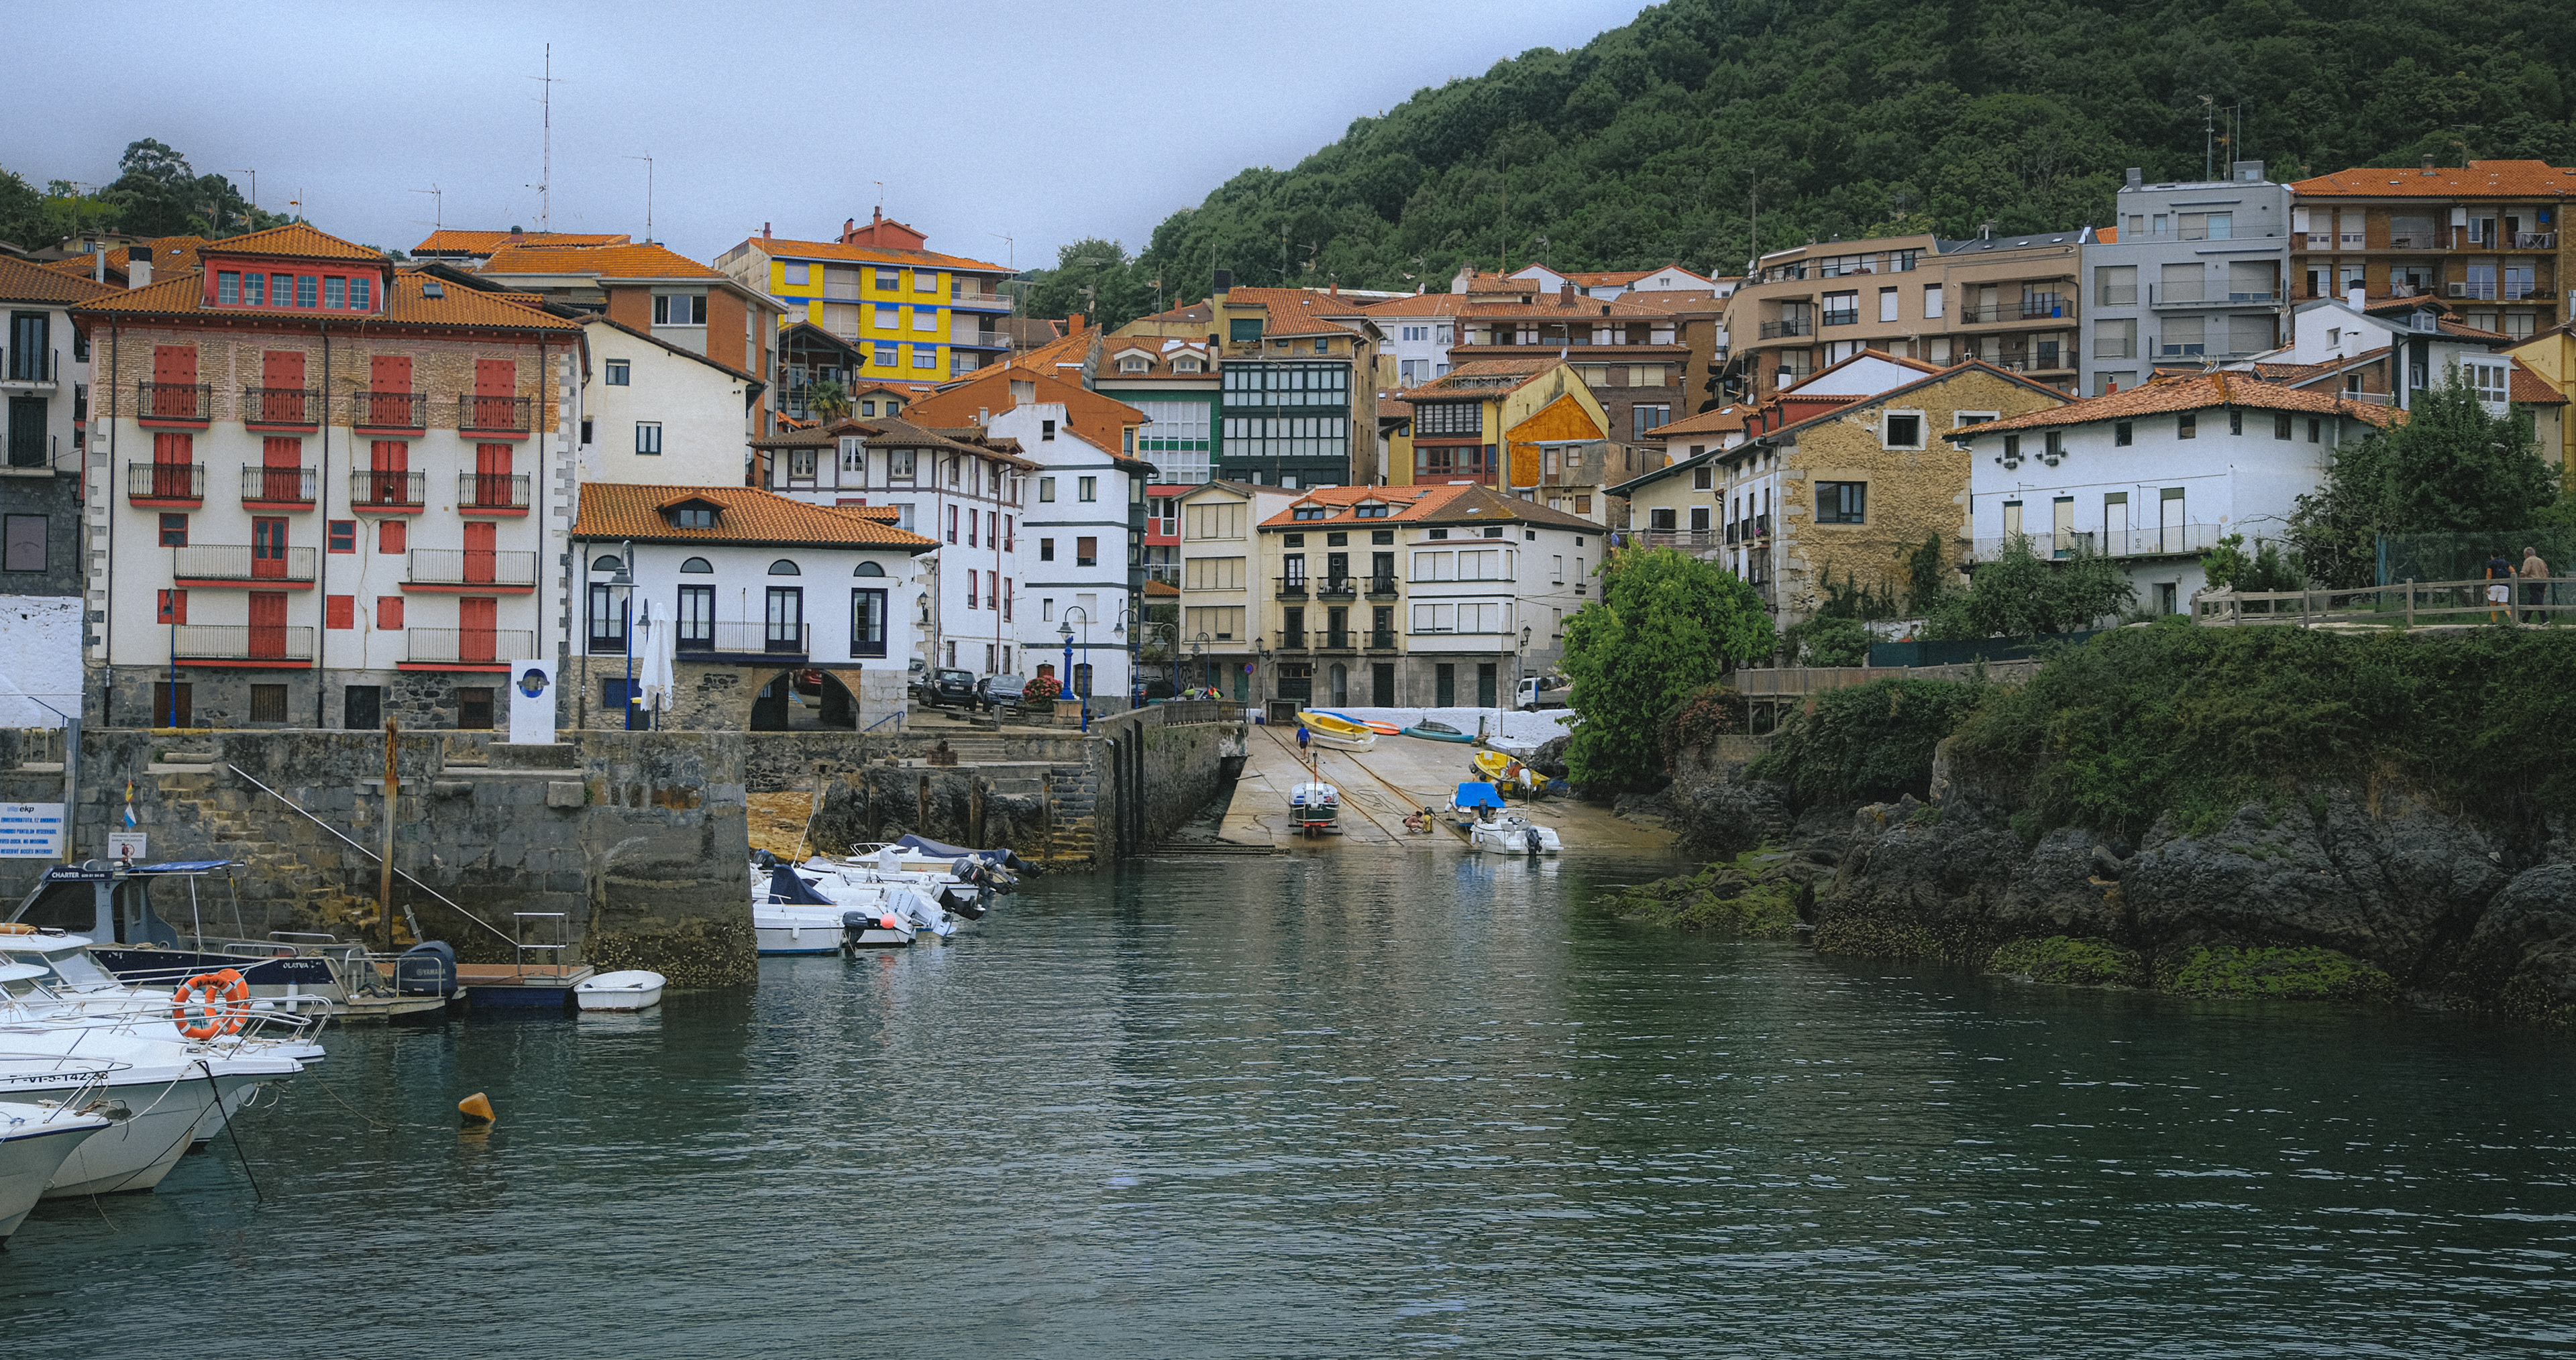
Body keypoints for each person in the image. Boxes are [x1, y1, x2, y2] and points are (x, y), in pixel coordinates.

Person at [2520, 546, 2553, 625]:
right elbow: (2547, 572)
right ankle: (2525, 620)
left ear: (2526, 554)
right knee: (2533, 601)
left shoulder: (2528, 560)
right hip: (2543, 582)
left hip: (2534, 582)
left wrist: (2519, 579)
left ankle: (2545, 620)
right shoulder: (2541, 561)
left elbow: (2524, 572)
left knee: (2538, 601)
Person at [2485, 549, 2515, 624]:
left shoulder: (2491, 563)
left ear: (2492, 556)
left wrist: (2487, 586)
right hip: (2505, 586)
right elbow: (2513, 571)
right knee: (2503, 603)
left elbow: (2489, 574)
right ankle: (2510, 615)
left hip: (2494, 586)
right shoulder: (2505, 562)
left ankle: (2494, 621)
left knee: (2493, 603)